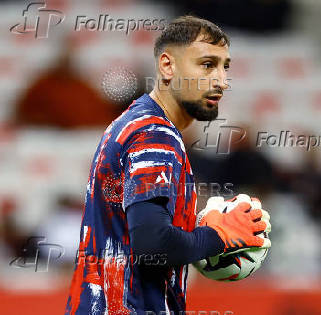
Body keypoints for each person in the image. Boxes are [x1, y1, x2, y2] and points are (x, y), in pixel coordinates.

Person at [65, 16, 270, 314]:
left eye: (225, 67)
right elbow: (152, 245)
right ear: (167, 66)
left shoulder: (134, 123)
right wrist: (218, 237)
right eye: (207, 64)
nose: (222, 82)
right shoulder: (155, 135)